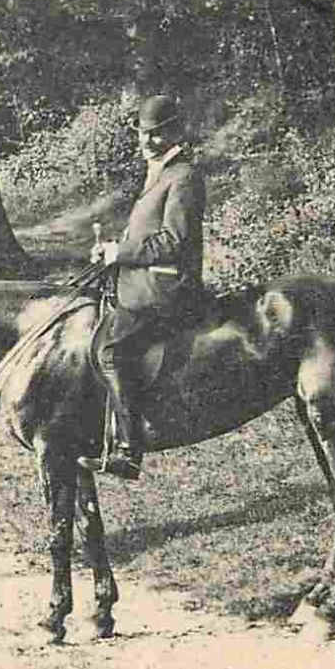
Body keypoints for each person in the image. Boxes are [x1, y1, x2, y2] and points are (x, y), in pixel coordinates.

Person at [81, 94, 207, 481]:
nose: (149, 141)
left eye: (158, 133)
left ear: (176, 132)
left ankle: (128, 450)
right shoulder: (160, 172)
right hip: (143, 278)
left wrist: (120, 252)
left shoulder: (184, 176)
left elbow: (174, 241)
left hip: (167, 288)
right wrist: (109, 252)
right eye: (144, 134)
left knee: (112, 351)